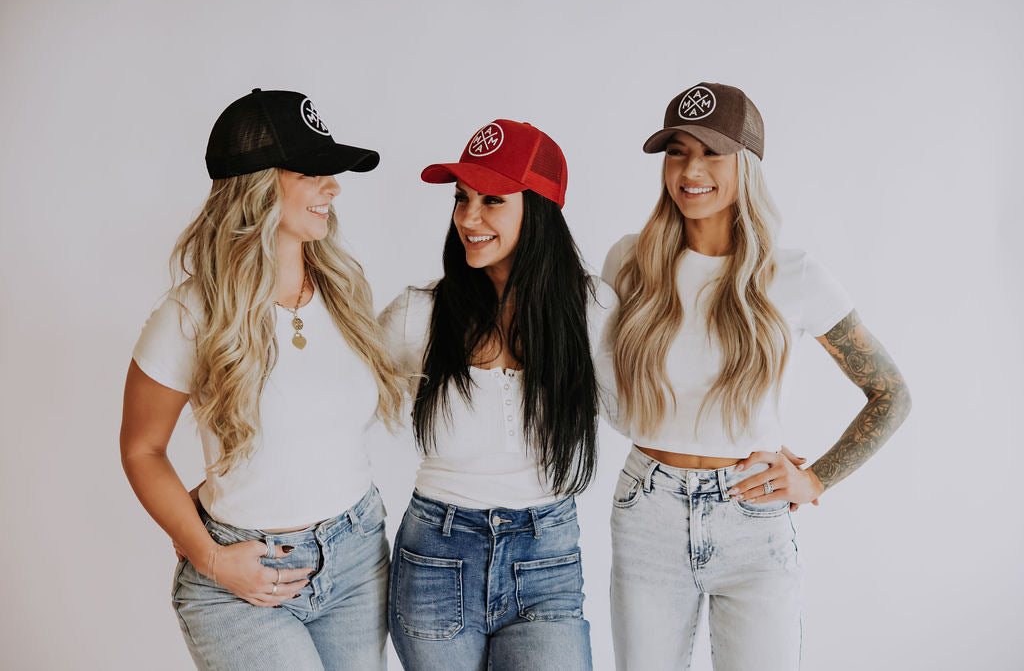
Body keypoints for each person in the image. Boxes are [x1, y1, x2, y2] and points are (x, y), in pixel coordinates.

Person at [602, 82, 912, 670]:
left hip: (752, 515)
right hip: (648, 510)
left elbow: (890, 393)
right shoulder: (627, 261)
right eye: (676, 151)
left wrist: (816, 479)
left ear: (746, 163)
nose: (691, 170)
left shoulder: (791, 275)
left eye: (711, 152)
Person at [119, 88, 405, 670]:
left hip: (357, 558)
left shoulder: (345, 294)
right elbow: (141, 448)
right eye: (313, 171)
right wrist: (210, 556)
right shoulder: (189, 315)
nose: (334, 187)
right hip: (241, 578)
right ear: (257, 185)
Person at [379, 119, 617, 670]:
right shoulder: (421, 314)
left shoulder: (591, 311)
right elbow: (337, 405)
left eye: (491, 200)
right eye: (461, 199)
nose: (468, 217)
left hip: (547, 556)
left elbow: (643, 410)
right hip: (437, 556)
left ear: (537, 211)